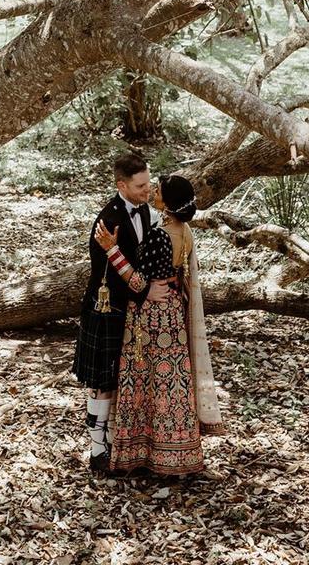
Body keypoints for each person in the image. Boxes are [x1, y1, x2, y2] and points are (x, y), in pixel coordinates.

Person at [94, 174, 225, 476]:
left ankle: (139, 454)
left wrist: (112, 250)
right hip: (175, 313)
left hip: (151, 317)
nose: (153, 192)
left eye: (159, 191)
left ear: (168, 202)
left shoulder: (159, 235)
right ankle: (178, 454)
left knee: (145, 381)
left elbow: (140, 281)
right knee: (172, 384)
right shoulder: (186, 231)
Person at [72, 153, 170, 472]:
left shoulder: (145, 210)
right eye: (141, 185)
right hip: (107, 308)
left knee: (124, 377)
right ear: (121, 185)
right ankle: (98, 450)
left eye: (148, 182)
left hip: (132, 307)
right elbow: (113, 275)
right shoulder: (108, 220)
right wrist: (145, 290)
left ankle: (119, 441)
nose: (147, 189)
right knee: (103, 381)